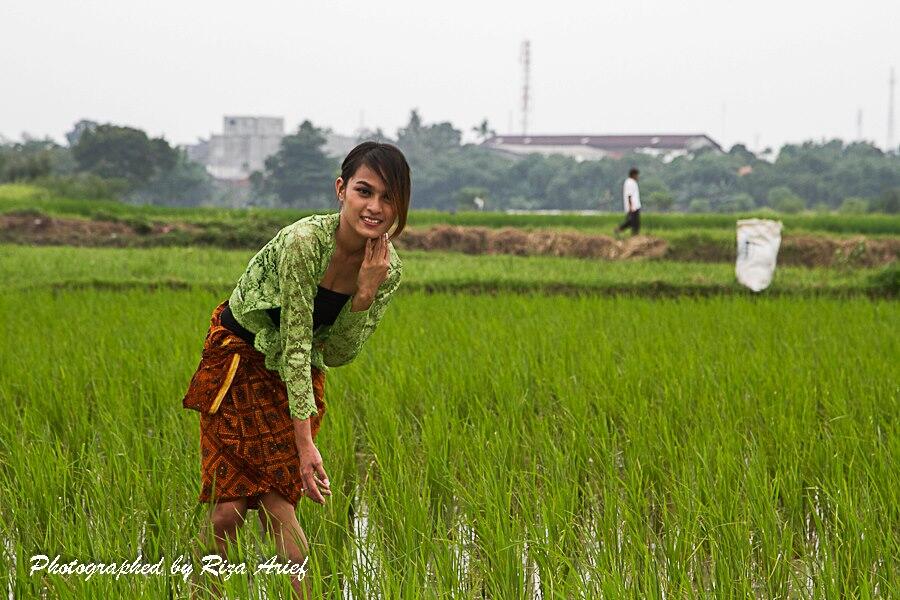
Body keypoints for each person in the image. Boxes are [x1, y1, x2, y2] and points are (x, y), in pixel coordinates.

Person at [181, 141, 410, 598]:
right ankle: (199, 592)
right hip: (239, 362)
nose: (375, 207)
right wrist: (305, 446)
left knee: (277, 505)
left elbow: (340, 352)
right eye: (365, 191)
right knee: (228, 509)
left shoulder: (387, 269)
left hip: (298, 376)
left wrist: (363, 296)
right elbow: (297, 342)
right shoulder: (305, 242)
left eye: (389, 198)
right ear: (342, 189)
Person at [616, 167, 642, 236]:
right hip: (633, 206)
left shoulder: (632, 182)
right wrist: (631, 207)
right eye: (637, 175)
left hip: (635, 206)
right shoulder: (629, 182)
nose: (638, 177)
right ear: (633, 175)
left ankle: (619, 229)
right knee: (635, 223)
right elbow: (629, 195)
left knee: (632, 222)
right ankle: (634, 236)